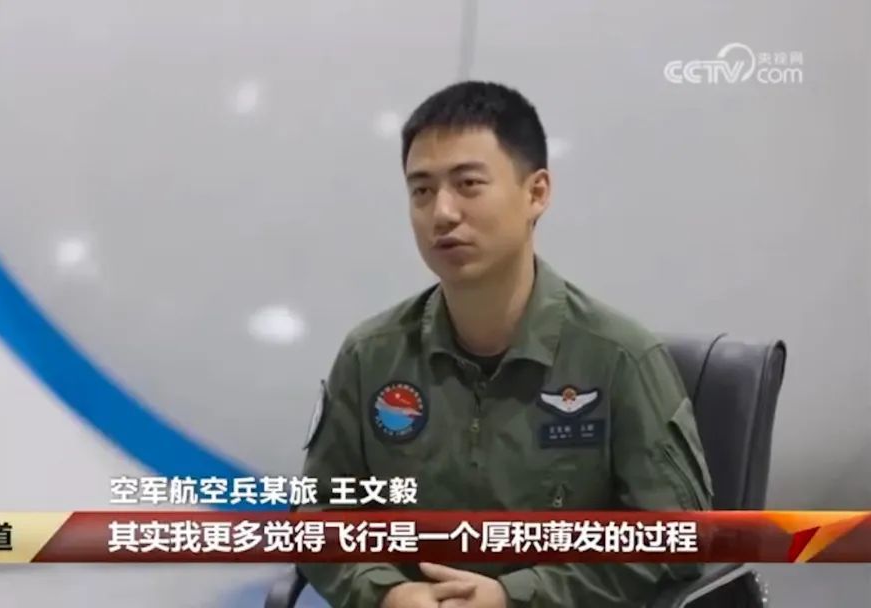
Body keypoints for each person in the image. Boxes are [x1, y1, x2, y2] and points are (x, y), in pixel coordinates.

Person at [297, 81, 713, 607]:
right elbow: (319, 517)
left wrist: (516, 597)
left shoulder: (618, 359)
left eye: (468, 184)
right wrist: (387, 593)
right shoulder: (372, 356)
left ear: (536, 193)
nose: (442, 213)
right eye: (421, 191)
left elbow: (676, 540)